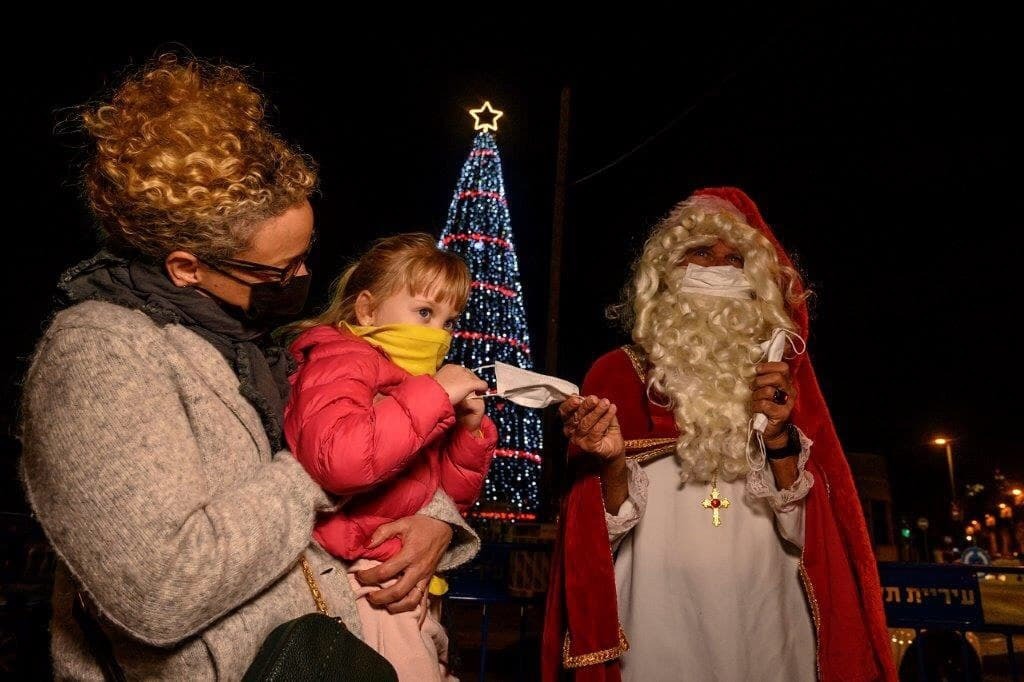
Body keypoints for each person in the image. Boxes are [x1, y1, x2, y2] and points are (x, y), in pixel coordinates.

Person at [18, 54, 478, 679]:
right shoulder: (98, 358)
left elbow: (377, 460)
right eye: (274, 271)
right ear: (185, 267)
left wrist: (435, 523)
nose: (300, 280)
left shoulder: (252, 337)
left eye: (303, 257)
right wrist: (320, 473)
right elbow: (159, 591)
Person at [542, 187, 896, 681]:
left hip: (766, 612)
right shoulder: (616, 374)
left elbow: (807, 532)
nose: (720, 267)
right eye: (701, 252)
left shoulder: (779, 381)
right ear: (666, 273)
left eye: (735, 258)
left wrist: (778, 436)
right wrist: (612, 460)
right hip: (656, 614)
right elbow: (593, 532)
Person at [282, 232, 497, 679]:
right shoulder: (342, 360)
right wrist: (434, 396)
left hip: (406, 578)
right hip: (362, 577)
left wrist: (468, 435)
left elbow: (445, 499)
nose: (438, 333)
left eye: (448, 320)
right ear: (367, 310)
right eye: (424, 312)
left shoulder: (412, 385)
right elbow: (340, 461)